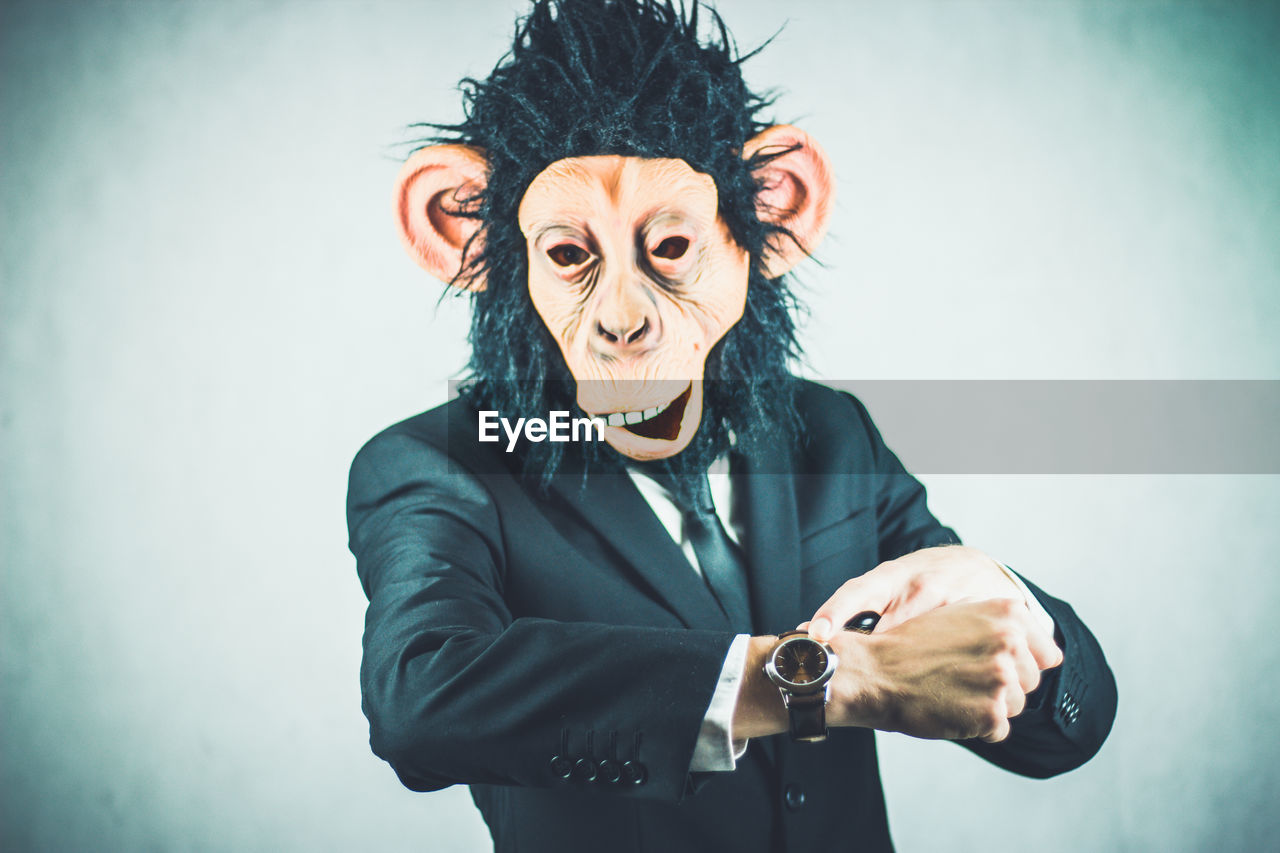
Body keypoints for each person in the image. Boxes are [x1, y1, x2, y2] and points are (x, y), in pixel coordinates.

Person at [346, 2, 1117, 850]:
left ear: (773, 215)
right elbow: (421, 700)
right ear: (463, 233)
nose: (621, 316)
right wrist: (822, 680)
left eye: (670, 247)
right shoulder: (437, 465)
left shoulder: (829, 433)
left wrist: (1012, 613)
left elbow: (1060, 731)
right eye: (570, 255)